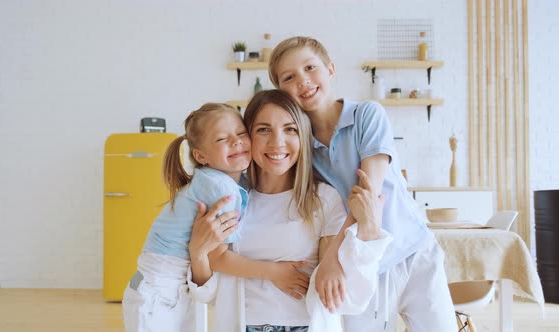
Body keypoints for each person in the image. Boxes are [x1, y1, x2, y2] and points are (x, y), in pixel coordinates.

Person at [267, 36, 457, 331]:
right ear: (281, 91)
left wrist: (330, 258)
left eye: (310, 68)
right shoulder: (300, 146)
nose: (302, 81)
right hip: (361, 265)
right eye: (289, 77)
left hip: (412, 251)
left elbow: (368, 195)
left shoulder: (367, 114)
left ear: (330, 69)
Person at [188, 90, 393, 332]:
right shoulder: (229, 199)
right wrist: (197, 252)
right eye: (263, 129)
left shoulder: (323, 199)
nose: (277, 143)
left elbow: (344, 295)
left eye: (290, 129)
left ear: (303, 138)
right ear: (247, 137)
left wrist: (367, 232)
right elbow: (207, 293)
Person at [121, 103, 251, 332]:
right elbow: (226, 255)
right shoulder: (220, 187)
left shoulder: (216, 180)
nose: (236, 141)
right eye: (222, 139)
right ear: (200, 155)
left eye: (241, 133)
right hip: (158, 290)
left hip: (163, 285)